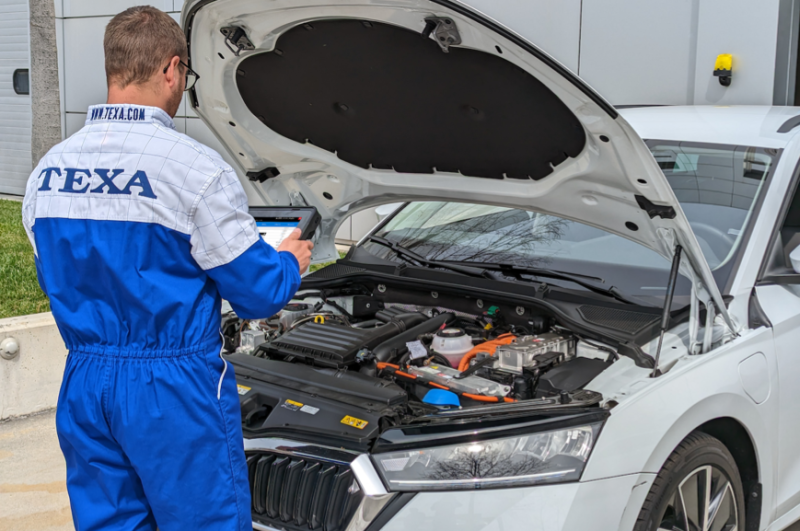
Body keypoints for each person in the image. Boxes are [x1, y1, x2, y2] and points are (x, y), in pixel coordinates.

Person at [21, 6, 312, 530]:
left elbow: (58, 274)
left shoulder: (47, 174)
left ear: (113, 69)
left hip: (85, 382)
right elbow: (257, 294)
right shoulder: (193, 169)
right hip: (171, 390)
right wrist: (287, 262)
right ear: (172, 70)